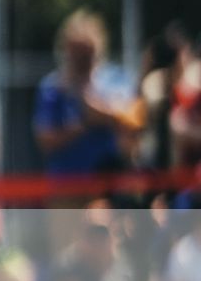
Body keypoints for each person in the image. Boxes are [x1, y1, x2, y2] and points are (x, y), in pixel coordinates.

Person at [33, 11, 143, 178]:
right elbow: (45, 139)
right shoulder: (53, 88)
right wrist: (82, 126)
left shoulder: (117, 80)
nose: (82, 59)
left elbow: (134, 121)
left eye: (87, 52)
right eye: (76, 51)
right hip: (68, 183)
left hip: (113, 180)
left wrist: (98, 110)